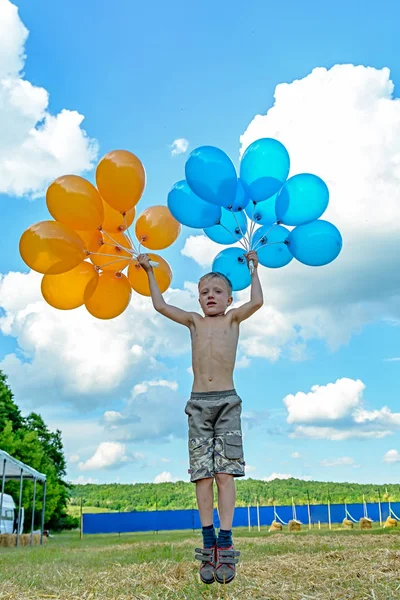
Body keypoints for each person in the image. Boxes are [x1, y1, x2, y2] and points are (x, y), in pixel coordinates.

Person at [137, 250, 263, 585]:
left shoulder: (233, 319)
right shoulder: (193, 321)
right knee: (202, 476)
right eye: (204, 292)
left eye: (217, 291)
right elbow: (161, 306)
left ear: (229, 297)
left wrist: (253, 268)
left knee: (226, 473)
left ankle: (225, 540)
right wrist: (149, 270)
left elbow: (259, 301)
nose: (210, 296)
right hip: (198, 404)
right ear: (198, 298)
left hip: (227, 403)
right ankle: (208, 542)